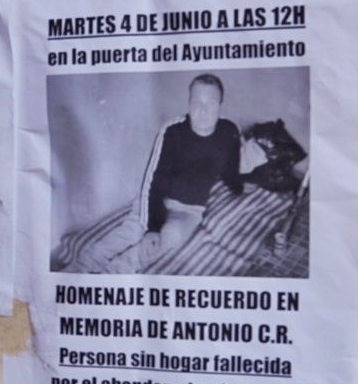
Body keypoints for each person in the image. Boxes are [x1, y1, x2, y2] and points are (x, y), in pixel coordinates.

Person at [89, 73, 243, 273]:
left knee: (169, 239)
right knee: (131, 232)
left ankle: (111, 277)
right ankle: (79, 269)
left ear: (220, 105)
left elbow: (230, 167)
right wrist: (152, 228)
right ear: (188, 103)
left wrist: (239, 185)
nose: (203, 111)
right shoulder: (172, 132)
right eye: (196, 102)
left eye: (211, 103)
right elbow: (153, 182)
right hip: (159, 199)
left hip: (189, 210)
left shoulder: (229, 132)